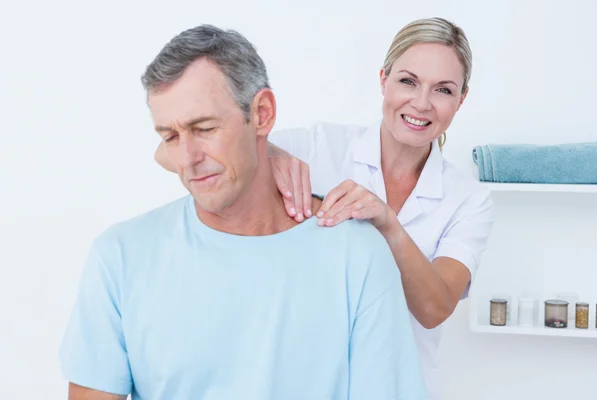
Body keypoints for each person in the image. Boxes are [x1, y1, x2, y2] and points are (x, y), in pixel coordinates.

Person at [58, 24, 428, 400]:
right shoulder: (120, 256)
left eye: (204, 128)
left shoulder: (357, 256)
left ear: (262, 114)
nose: (187, 160)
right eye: (170, 136)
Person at [154, 16, 495, 400]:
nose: (421, 103)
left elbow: (435, 307)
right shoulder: (319, 147)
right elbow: (171, 154)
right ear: (383, 79)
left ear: (461, 99)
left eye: (443, 90)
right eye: (408, 81)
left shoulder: (468, 199)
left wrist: (388, 224)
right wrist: (270, 153)